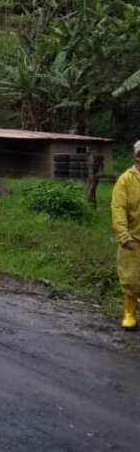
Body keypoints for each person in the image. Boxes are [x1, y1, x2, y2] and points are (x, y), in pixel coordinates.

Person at [111, 139, 140, 331]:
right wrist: (124, 235)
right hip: (134, 239)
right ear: (136, 157)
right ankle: (130, 314)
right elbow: (118, 209)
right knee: (131, 279)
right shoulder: (126, 180)